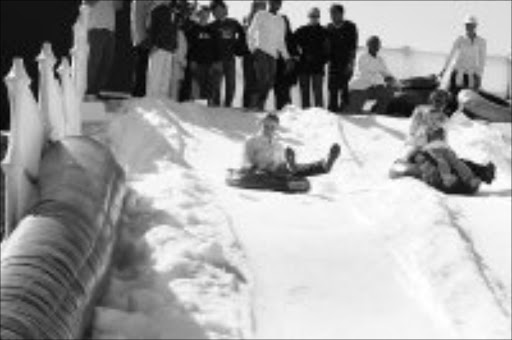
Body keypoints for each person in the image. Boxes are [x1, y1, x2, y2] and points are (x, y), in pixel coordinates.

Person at [243, 113, 341, 177]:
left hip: (277, 170)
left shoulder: (277, 144)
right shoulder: (252, 141)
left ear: (276, 129)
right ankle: (293, 168)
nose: (268, 129)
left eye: (272, 127)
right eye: (266, 126)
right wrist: (253, 169)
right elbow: (246, 162)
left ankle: (324, 165)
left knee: (296, 168)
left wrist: (284, 164)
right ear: (260, 124)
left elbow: (280, 162)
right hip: (261, 172)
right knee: (289, 170)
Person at [247, 0, 292, 111]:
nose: (276, 4)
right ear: (269, 3)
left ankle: (260, 105)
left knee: (269, 83)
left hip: (273, 55)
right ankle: (256, 105)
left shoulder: (281, 20)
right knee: (263, 79)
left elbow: (281, 41)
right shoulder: (261, 14)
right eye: (273, 2)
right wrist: (253, 49)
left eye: (278, 2)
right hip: (261, 51)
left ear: (280, 5)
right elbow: (251, 32)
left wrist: (287, 57)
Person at [146, 0, 188, 100]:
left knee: (165, 79)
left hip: (169, 49)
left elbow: (174, 31)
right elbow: (151, 28)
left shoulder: (174, 12)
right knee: (155, 78)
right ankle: (151, 102)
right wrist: (153, 44)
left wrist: (174, 46)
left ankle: (162, 102)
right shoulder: (156, 10)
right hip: (158, 48)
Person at [346, 36, 396, 115]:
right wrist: (381, 82)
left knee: (389, 90)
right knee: (353, 112)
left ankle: (379, 112)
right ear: (368, 45)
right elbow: (365, 75)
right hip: (359, 87)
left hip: (373, 87)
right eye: (373, 44)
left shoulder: (380, 59)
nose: (375, 46)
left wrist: (392, 79)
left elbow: (385, 72)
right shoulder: (362, 56)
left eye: (377, 44)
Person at [209, 1, 246, 107]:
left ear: (225, 10)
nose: (218, 12)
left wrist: (238, 48)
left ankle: (228, 105)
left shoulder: (233, 23)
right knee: (216, 85)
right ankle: (215, 105)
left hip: (230, 58)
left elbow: (242, 34)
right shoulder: (211, 26)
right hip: (216, 60)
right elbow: (208, 45)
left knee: (231, 84)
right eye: (215, 10)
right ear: (213, 13)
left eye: (221, 9)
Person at [440, 15, 487, 98]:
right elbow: (450, 55)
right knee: (453, 96)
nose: (468, 27)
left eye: (471, 25)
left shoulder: (481, 42)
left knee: (469, 99)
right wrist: (444, 69)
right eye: (467, 25)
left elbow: (482, 60)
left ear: (475, 26)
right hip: (458, 73)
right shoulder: (460, 39)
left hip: (472, 75)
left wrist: (479, 76)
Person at [85, 0, 123, 100]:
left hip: (110, 31)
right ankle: (87, 91)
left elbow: (118, 6)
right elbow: (87, 3)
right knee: (94, 62)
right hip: (96, 29)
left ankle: (95, 91)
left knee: (106, 63)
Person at [186, 5, 222, 106]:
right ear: (199, 14)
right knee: (196, 85)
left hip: (209, 63)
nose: (205, 15)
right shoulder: (193, 29)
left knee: (208, 85)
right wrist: (191, 60)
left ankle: (208, 108)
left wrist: (217, 61)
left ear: (209, 15)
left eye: (207, 13)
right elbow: (189, 47)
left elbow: (217, 47)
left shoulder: (213, 31)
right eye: (203, 13)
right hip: (196, 62)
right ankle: (197, 107)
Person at [326, 4, 358, 113]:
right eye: (330, 13)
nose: (332, 16)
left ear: (341, 14)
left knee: (344, 89)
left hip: (346, 63)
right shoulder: (328, 27)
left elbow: (353, 46)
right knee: (332, 89)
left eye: (334, 13)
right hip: (333, 64)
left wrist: (351, 63)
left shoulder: (350, 26)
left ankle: (346, 113)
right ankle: (333, 113)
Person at [295, 7, 329, 109]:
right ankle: (305, 114)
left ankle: (320, 115)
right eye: (312, 16)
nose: (314, 18)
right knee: (304, 92)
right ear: (308, 17)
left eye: (316, 16)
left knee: (318, 92)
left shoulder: (324, 32)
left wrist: (322, 60)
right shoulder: (301, 31)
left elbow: (328, 49)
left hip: (318, 67)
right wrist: (298, 56)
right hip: (303, 66)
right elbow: (292, 44)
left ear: (319, 17)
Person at [241, 0, 267, 109]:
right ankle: (248, 104)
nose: (261, 9)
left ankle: (258, 105)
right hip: (249, 54)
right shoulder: (247, 20)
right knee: (249, 79)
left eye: (263, 7)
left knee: (260, 80)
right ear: (254, 7)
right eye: (259, 6)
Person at [273, 13, 299, 111]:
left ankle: (288, 113)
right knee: (278, 92)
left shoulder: (292, 37)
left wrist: (292, 65)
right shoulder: (275, 37)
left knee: (286, 92)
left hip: (288, 69)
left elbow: (296, 54)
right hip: (277, 68)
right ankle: (279, 111)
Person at [130, 0, 153, 97]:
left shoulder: (135, 2)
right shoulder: (143, 2)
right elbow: (148, 19)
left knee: (139, 67)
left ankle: (137, 92)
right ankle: (139, 93)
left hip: (138, 38)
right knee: (142, 68)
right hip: (144, 39)